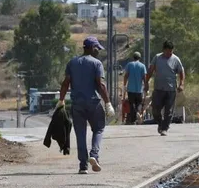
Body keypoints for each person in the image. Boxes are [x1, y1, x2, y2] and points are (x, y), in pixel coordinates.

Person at [58, 37, 115, 174]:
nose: (98, 51)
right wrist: (108, 103)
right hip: (93, 103)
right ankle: (94, 155)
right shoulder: (96, 63)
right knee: (99, 129)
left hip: (77, 104)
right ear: (91, 48)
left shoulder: (72, 63)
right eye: (97, 48)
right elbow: (100, 85)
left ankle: (83, 166)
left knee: (80, 134)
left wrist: (61, 100)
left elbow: (65, 83)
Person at [145, 40, 185, 136]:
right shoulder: (157, 58)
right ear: (163, 50)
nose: (169, 53)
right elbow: (150, 70)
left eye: (171, 51)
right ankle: (160, 123)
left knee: (169, 111)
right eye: (167, 51)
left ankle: (165, 128)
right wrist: (146, 82)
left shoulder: (176, 59)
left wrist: (181, 84)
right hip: (158, 88)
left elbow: (181, 72)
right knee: (155, 110)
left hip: (171, 90)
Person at [123, 52, 148, 125]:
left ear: (133, 57)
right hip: (139, 90)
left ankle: (133, 120)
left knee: (131, 104)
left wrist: (124, 85)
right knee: (139, 103)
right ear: (140, 58)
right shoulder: (142, 66)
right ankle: (137, 114)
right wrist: (146, 86)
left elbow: (126, 76)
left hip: (130, 89)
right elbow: (144, 78)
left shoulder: (129, 65)